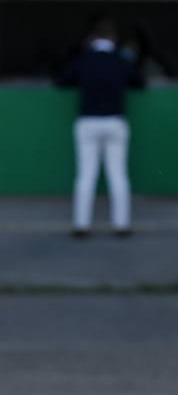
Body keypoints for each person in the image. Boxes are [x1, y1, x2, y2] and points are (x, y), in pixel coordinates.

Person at [55, 18, 144, 238]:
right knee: (118, 175)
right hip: (115, 121)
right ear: (113, 38)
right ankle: (121, 225)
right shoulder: (120, 59)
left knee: (86, 175)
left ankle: (81, 225)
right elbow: (140, 82)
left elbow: (61, 80)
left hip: (88, 122)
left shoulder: (84, 59)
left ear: (93, 38)